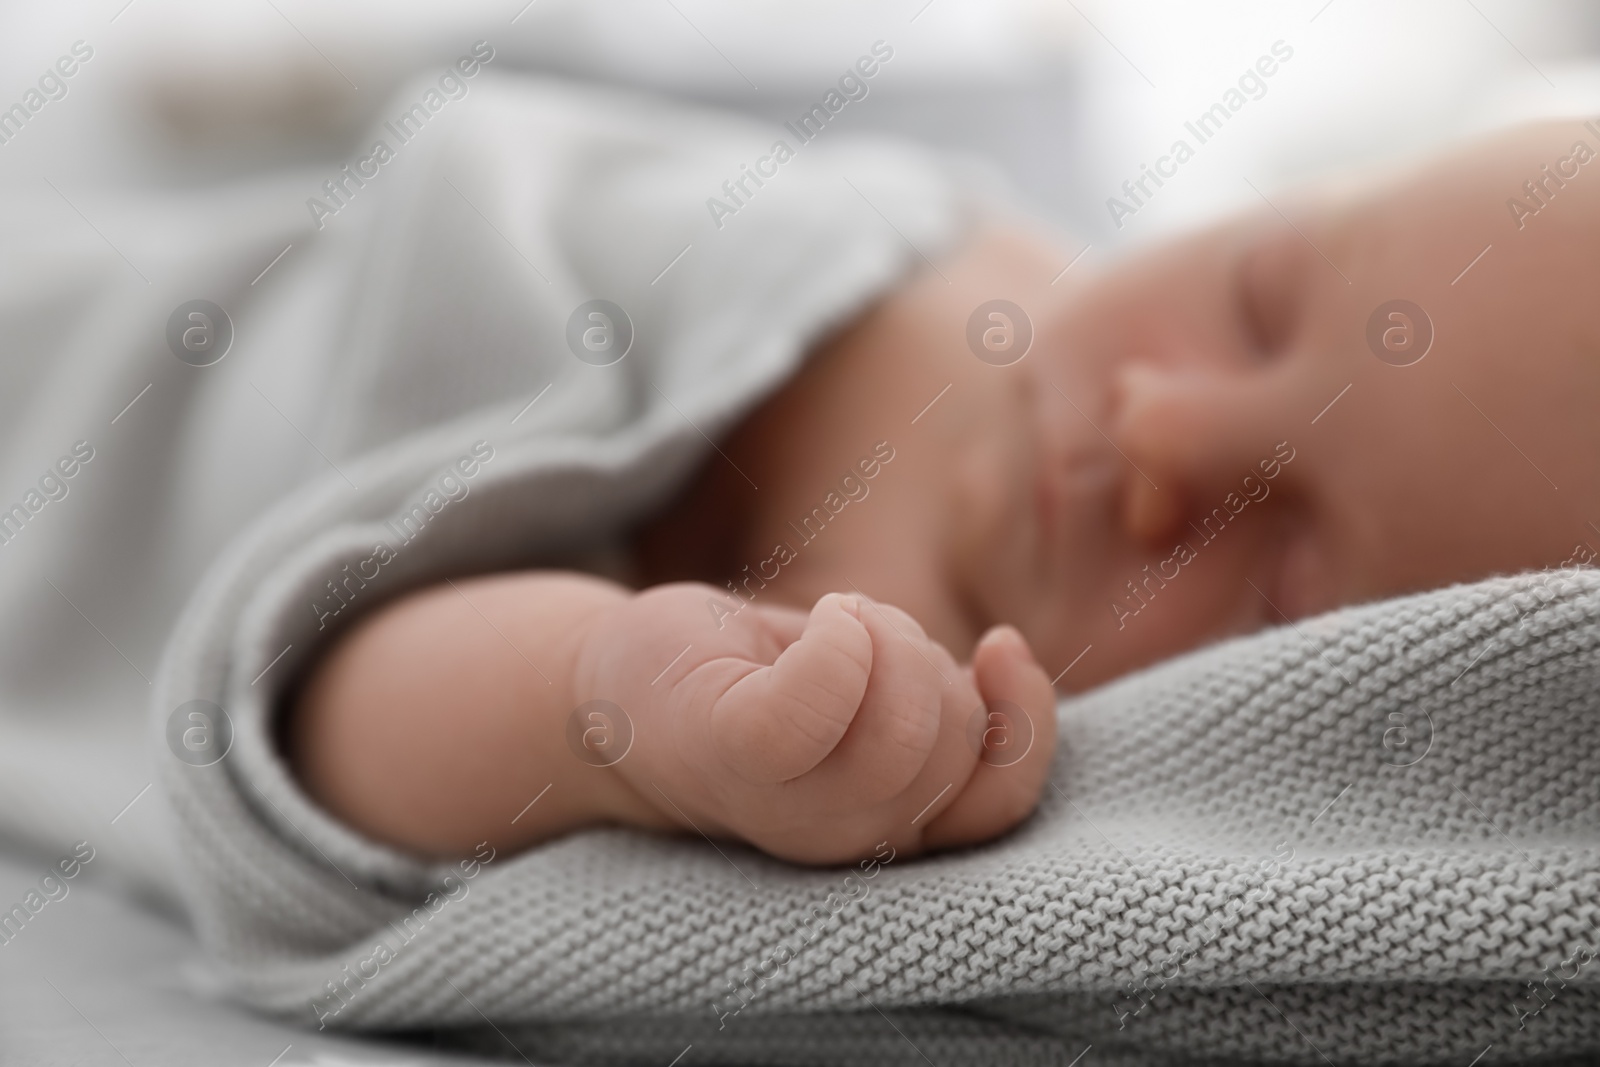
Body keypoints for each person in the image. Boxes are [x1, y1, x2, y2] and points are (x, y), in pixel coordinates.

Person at [287, 118, 1600, 869]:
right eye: (1260, 301)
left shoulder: (882, 676)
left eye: (1284, 585)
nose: (1159, 427)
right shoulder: (991, 258)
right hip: (337, 254)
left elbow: (325, 719)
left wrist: (601, 699)